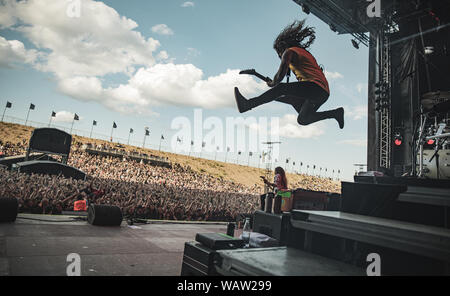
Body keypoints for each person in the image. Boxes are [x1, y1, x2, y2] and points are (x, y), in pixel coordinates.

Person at [234, 20, 344, 129]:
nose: (279, 57)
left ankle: (248, 105)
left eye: (279, 54)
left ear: (281, 48)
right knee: (303, 119)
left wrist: (273, 83)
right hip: (322, 93)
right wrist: (273, 87)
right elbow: (284, 82)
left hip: (316, 88)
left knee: (281, 89)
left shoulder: (289, 52)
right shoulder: (302, 53)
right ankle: (335, 113)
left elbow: (279, 78)